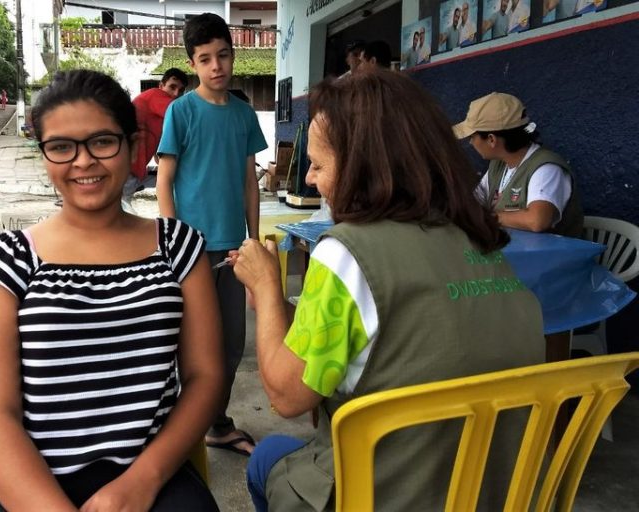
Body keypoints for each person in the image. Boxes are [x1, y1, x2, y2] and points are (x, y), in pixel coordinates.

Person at [232, 69, 545, 512]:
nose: (308, 180)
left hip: (389, 493)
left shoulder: (346, 253)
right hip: (494, 490)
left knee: (267, 457)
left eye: (318, 166)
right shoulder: (482, 242)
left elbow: (288, 396)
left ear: (365, 167)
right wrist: (280, 309)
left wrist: (265, 288)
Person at [0, 69, 224, 510]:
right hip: (30, 479)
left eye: (102, 141)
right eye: (61, 147)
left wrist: (141, 482)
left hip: (151, 475)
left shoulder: (179, 246)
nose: (82, 161)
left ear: (132, 145)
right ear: (43, 155)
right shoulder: (4, 262)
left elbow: (206, 377)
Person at [156, 12, 267, 457]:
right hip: (191, 251)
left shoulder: (242, 115)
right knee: (193, 346)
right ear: (193, 64)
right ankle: (186, 429)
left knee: (233, 345)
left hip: (236, 249)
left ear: (233, 55)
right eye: (205, 59)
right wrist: (171, 241)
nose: (216, 66)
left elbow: (249, 182)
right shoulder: (180, 112)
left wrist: (254, 239)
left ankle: (216, 424)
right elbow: (164, 180)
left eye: (223, 55)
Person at [454, 92, 583, 236]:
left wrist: (487, 217)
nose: (471, 142)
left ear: (491, 139)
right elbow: (471, 205)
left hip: (554, 257)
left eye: (472, 136)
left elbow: (537, 220)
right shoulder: (497, 166)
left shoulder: (546, 167)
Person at [122, 67, 188, 213]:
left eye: (181, 90)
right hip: (126, 172)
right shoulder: (155, 95)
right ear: (161, 86)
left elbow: (160, 154)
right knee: (123, 222)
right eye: (172, 87)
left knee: (178, 176)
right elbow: (186, 118)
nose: (176, 93)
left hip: (135, 172)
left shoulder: (159, 115)